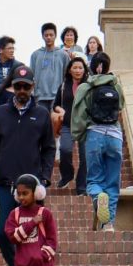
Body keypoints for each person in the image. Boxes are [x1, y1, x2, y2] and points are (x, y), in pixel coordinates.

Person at [0, 63, 56, 266]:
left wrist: (44, 177)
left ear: (33, 87)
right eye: (18, 86)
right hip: (4, 185)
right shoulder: (0, 114)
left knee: (33, 233)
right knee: (2, 232)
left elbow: (49, 149)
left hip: (32, 188)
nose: (22, 90)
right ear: (13, 88)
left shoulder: (42, 115)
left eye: (26, 86)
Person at [71, 52, 126, 232]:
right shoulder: (116, 85)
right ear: (108, 66)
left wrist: (79, 136)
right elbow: (121, 107)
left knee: (94, 179)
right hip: (115, 136)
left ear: (91, 66)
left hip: (94, 134)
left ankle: (97, 196)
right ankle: (108, 224)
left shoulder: (85, 87)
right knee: (113, 182)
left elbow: (78, 117)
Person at [53, 55, 90, 194]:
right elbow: (55, 105)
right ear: (69, 70)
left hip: (84, 126)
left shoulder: (89, 86)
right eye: (75, 67)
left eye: (80, 68)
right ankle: (67, 175)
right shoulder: (63, 86)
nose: (78, 70)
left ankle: (81, 186)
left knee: (85, 157)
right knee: (65, 150)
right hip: (67, 125)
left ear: (84, 70)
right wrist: (60, 110)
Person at [30, 23, 69, 116]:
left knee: (55, 126)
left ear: (55, 36)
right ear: (42, 36)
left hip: (57, 97)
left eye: (51, 35)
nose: (48, 37)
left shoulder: (63, 55)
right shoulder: (35, 55)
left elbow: (67, 76)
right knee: (40, 126)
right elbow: (31, 76)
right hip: (39, 98)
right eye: (46, 35)